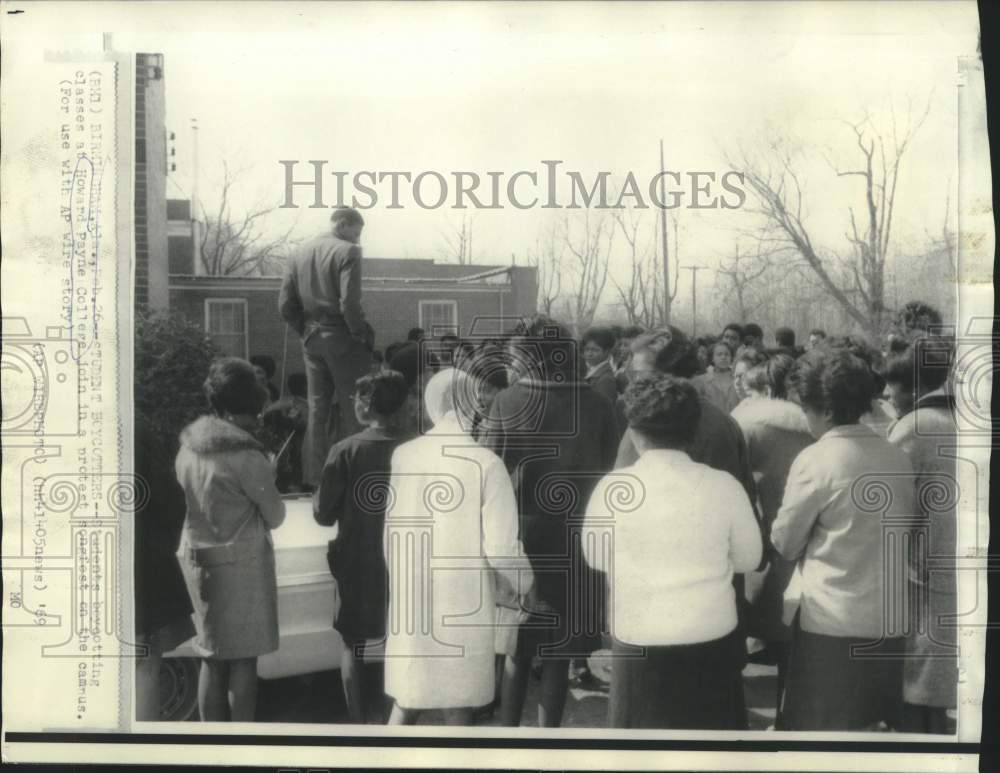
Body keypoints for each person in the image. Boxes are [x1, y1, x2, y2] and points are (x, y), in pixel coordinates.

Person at [584, 373, 762, 729]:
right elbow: (749, 559)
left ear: (634, 433)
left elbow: (596, 558)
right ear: (693, 432)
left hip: (639, 640)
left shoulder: (613, 487)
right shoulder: (723, 486)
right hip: (711, 639)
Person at [486, 315, 619, 728]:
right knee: (560, 653)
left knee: (517, 649)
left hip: (523, 541)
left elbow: (489, 471)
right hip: (581, 541)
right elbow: (616, 474)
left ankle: (507, 738)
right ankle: (548, 740)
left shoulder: (507, 402)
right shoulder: (600, 405)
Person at [772, 348, 915, 730]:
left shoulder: (815, 459)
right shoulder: (897, 457)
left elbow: (786, 542)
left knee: (823, 735)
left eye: (807, 409)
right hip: (889, 620)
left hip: (831, 626)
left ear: (828, 411)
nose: (805, 419)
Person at [383, 368, 535, 725]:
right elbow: (500, 546)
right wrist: (525, 584)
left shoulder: (404, 455)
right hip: (463, 596)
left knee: (408, 696)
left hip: (413, 588)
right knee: (458, 701)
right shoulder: (486, 462)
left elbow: (391, 532)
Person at [175, 357, 286, 721]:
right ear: (251, 404)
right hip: (241, 569)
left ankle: (213, 746)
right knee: (243, 661)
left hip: (197, 561)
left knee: (211, 657)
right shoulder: (246, 455)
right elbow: (276, 516)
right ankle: (243, 745)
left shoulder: (188, 449)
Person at [314, 370, 411, 724]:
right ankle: (393, 718)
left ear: (367, 404)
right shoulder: (415, 446)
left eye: (357, 398)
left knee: (353, 644)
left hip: (357, 560)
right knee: (400, 641)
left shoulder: (345, 450)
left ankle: (357, 723)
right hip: (406, 559)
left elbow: (323, 514)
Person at [730, 354, 814, 722]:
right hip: (802, 544)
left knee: (737, 634)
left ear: (763, 389)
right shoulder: (811, 429)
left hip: (755, 544)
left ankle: (735, 719)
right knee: (793, 645)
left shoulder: (745, 426)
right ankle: (788, 719)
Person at [884, 337, 958, 733]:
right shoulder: (962, 417)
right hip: (953, 566)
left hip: (922, 574)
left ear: (911, 387)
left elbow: (885, 505)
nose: (886, 393)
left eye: (891, 384)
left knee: (918, 684)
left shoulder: (913, 425)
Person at [279, 207, 375, 486]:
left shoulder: (298, 253)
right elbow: (350, 304)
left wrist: (306, 330)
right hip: (343, 337)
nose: (357, 239)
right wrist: (359, 333)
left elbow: (284, 305)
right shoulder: (348, 252)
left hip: (312, 338)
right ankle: (356, 475)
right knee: (355, 408)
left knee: (317, 410)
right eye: (356, 232)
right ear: (343, 224)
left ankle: (315, 479)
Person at [693, 341, 740, 413]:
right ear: (712, 358)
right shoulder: (701, 381)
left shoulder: (738, 380)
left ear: (731, 358)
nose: (723, 357)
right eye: (719, 354)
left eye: (727, 354)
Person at [581, 326, 619, 405]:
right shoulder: (590, 371)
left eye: (595, 350)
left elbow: (603, 411)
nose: (589, 354)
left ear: (607, 351)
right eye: (587, 349)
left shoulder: (606, 380)